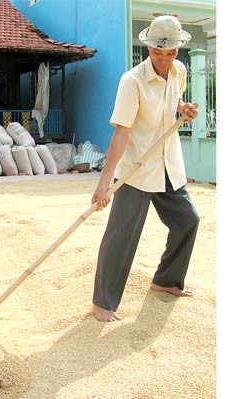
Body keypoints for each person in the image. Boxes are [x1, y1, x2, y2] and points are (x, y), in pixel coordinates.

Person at [91, 15, 200, 322]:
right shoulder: (132, 81)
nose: (164, 60)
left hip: (168, 165)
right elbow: (122, 132)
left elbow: (172, 99)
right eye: (157, 53)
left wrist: (183, 108)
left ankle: (166, 280)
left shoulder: (179, 71)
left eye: (171, 53)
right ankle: (102, 303)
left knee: (188, 221)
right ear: (147, 47)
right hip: (135, 171)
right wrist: (104, 182)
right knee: (122, 236)